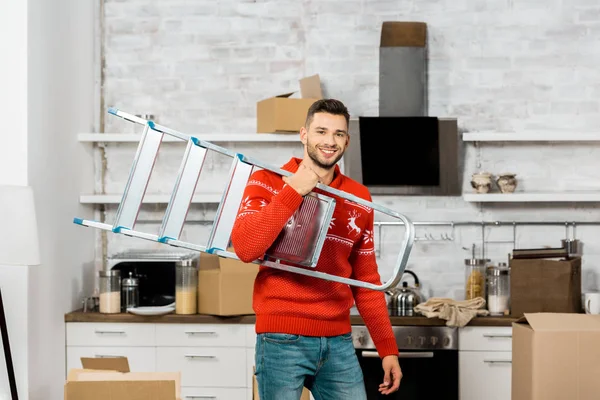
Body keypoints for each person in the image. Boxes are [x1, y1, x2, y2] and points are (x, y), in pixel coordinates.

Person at [230, 99, 402, 400]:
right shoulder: (268, 180)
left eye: (338, 134)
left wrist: (387, 349)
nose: (329, 141)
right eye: (321, 131)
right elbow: (245, 247)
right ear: (304, 134)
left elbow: (366, 280)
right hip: (281, 337)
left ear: (346, 141)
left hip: (337, 340)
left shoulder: (359, 196)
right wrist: (294, 190)